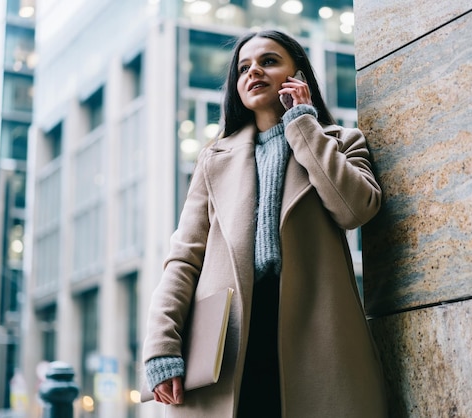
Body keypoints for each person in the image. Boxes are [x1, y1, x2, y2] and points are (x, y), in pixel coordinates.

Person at [142, 29, 387, 418]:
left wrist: (302, 124)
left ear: (298, 75)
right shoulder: (214, 160)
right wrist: (161, 347)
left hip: (315, 333)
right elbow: (183, 260)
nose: (253, 71)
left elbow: (354, 210)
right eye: (243, 67)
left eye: (268, 61)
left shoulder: (341, 142)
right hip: (230, 339)